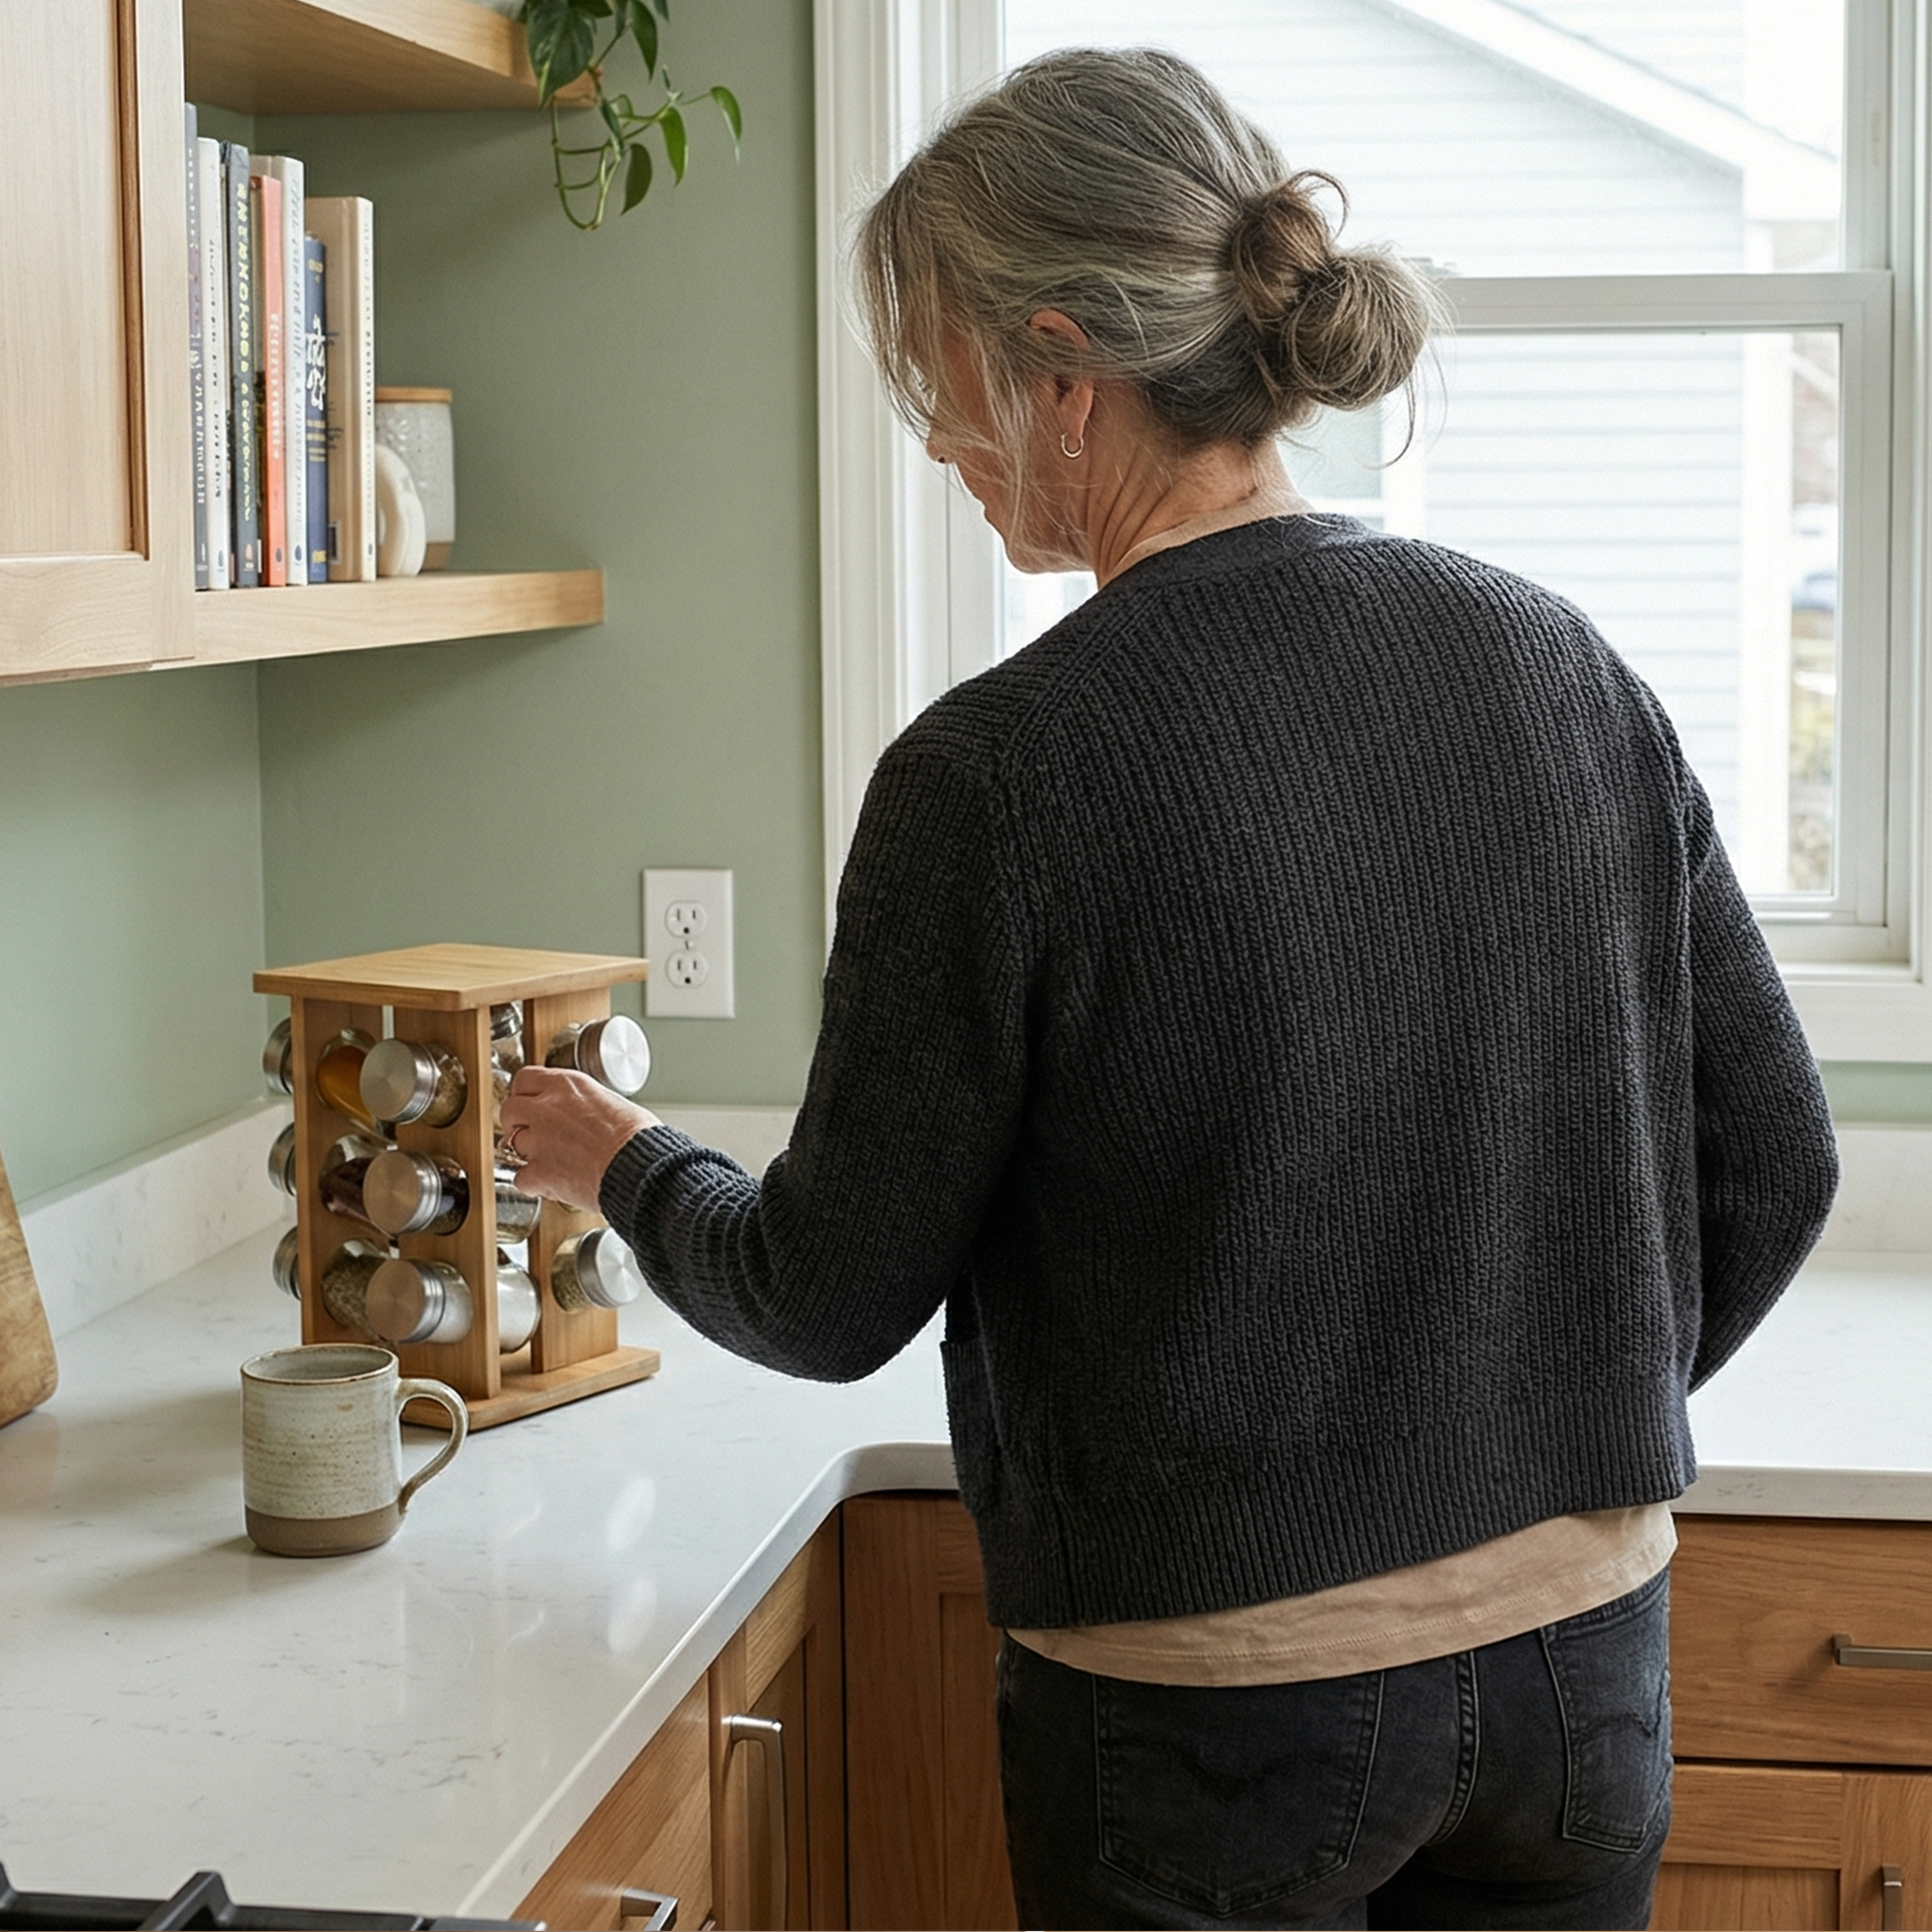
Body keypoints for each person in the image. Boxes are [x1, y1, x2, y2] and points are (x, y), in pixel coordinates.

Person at [498, 46, 1840, 1932]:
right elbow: (1777, 1160)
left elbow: (824, 1293)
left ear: (1062, 373)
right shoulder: (1559, 664)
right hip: (1579, 1670)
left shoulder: (997, 773)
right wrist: (1527, 1438)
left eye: (941, 381)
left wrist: (622, 1161)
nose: (937, 443)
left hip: (1218, 1716)